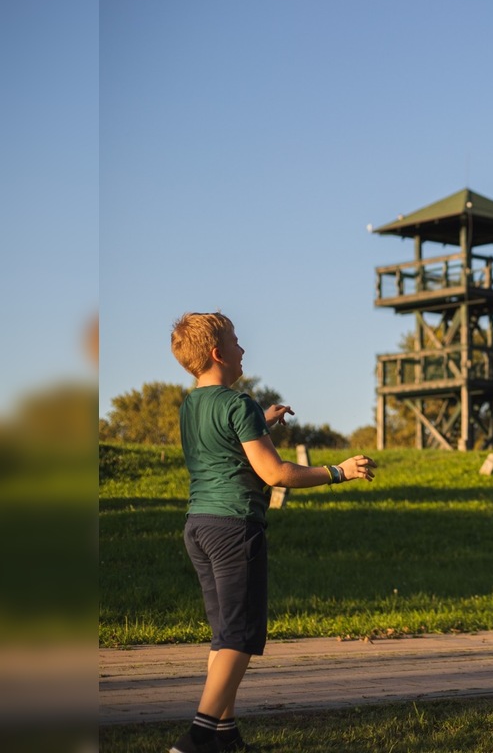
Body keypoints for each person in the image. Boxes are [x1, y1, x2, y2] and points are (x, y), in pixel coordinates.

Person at [167, 312, 377, 753]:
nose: (244, 349)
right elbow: (275, 472)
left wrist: (260, 419)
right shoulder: (236, 403)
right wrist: (339, 472)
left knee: (224, 634)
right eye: (238, 342)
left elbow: (223, 440)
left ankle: (226, 739)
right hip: (234, 527)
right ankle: (196, 739)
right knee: (240, 636)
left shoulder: (191, 405)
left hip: (198, 526)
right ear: (218, 353)